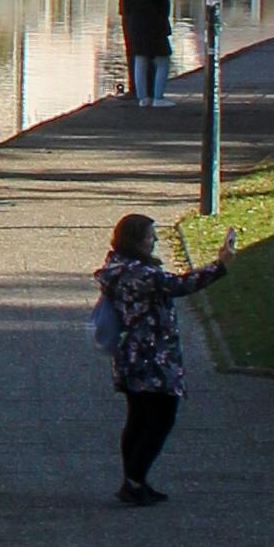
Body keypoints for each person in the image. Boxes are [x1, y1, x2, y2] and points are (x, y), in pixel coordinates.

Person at [95, 209, 231, 503]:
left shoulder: (117, 266)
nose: (155, 240)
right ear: (136, 240)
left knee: (139, 418)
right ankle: (134, 480)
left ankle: (135, 479)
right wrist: (219, 265)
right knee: (160, 419)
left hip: (130, 355)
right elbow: (180, 285)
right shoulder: (141, 274)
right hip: (152, 357)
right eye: (150, 236)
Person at [117, 0, 174, 110]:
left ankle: (143, 98)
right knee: (162, 58)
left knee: (140, 58)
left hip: (137, 21)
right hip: (154, 20)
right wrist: (164, 16)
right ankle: (158, 96)